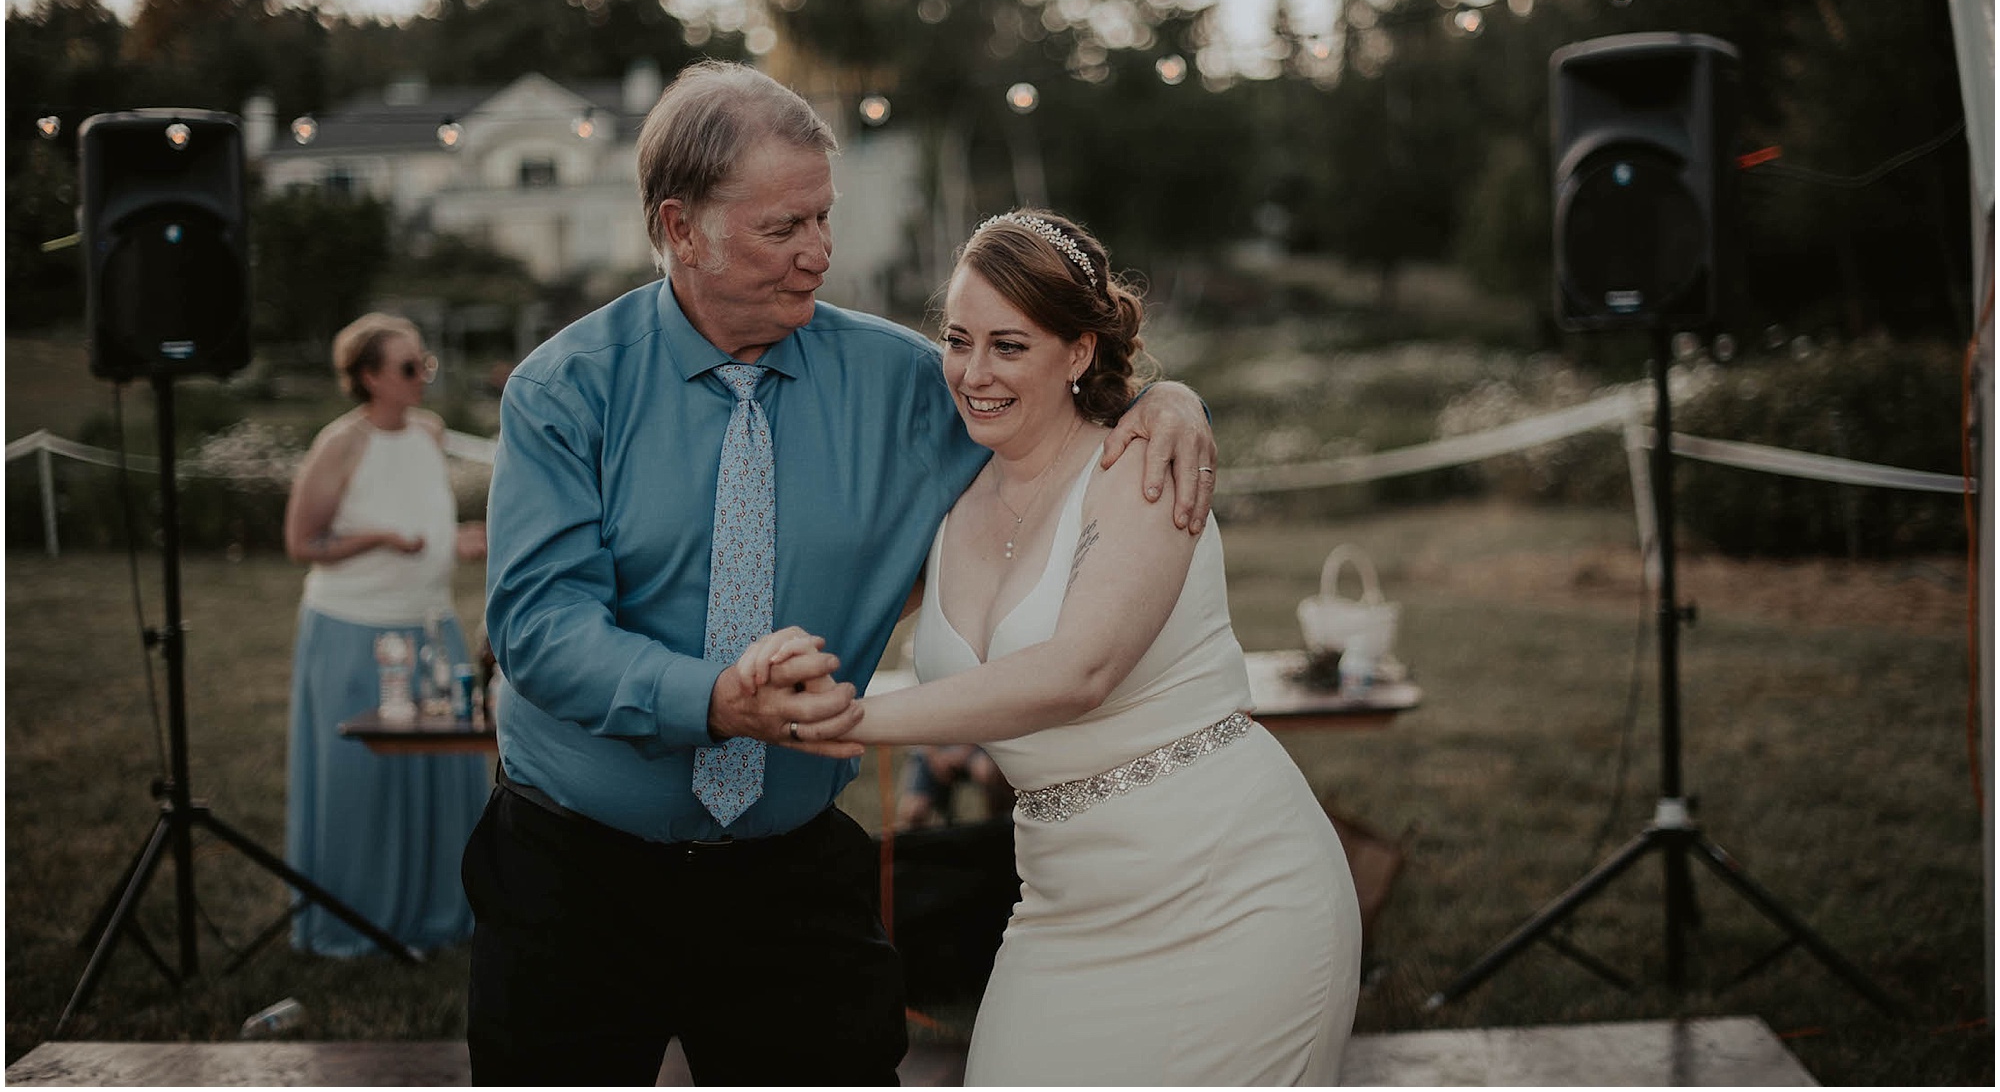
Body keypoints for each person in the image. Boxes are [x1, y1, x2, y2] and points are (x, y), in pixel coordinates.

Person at [467, 61, 1217, 1086]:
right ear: (680, 228)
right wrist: (714, 701)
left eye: (822, 218)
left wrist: (1167, 404)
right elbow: (541, 628)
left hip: (788, 872)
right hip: (573, 874)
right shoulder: (565, 392)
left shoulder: (903, 385)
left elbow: (1059, 416)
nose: (818, 254)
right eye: (784, 229)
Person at [740, 209, 1363, 1085]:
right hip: (1061, 906)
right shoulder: (949, 499)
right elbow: (842, 609)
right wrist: (770, 665)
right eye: (958, 340)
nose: (973, 372)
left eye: (1009, 345)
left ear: (1077, 351)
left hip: (1235, 892)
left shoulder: (1139, 468)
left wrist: (852, 719)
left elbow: (1079, 672)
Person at [281, 313, 490, 956]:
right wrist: (379, 540)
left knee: (441, 775)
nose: (421, 375)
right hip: (355, 629)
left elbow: (424, 523)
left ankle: (438, 911)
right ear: (369, 377)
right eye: (407, 366)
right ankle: (359, 916)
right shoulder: (341, 443)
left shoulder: (427, 432)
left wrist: (457, 544)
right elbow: (301, 543)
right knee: (360, 783)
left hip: (429, 623)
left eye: (423, 362)